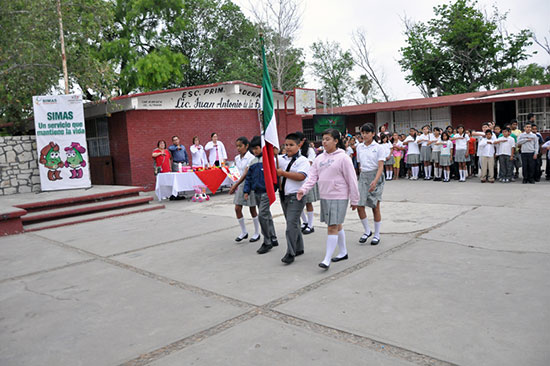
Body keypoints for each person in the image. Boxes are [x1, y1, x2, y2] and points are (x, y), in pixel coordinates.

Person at [297, 129, 359, 269]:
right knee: (336, 225)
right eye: (323, 139)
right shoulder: (319, 158)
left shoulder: (344, 158)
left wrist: (355, 199)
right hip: (325, 196)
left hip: (339, 196)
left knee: (332, 227)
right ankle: (343, 252)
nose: (324, 142)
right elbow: (312, 177)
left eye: (328, 139)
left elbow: (352, 179)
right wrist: (303, 189)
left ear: (336, 141)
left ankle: (327, 259)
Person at [276, 133, 310, 264]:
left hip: (297, 196)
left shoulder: (303, 161)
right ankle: (299, 247)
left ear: (299, 145)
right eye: (286, 145)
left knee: (290, 224)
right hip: (283, 194)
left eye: (291, 145)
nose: (288, 147)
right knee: (294, 222)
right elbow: (268, 161)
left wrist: (283, 173)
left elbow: (301, 176)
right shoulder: (280, 159)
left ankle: (290, 252)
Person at [243, 136, 278, 254]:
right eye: (253, 149)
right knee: (266, 214)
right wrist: (246, 191)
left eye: (257, 148)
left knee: (262, 215)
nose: (255, 151)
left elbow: (274, 175)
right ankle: (273, 236)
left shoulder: (268, 160)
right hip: (256, 192)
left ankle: (267, 241)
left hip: (266, 192)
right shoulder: (252, 162)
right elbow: (248, 178)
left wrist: (275, 186)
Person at [355, 123, 386, 245]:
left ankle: (377, 234)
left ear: (373, 134)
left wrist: (375, 181)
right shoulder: (359, 147)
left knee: (375, 206)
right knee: (359, 205)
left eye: (367, 133)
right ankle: (367, 230)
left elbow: (380, 167)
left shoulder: (379, 147)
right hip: (363, 176)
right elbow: (359, 164)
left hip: (375, 176)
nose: (364, 135)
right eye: (363, 133)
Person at [229, 137, 261, 243]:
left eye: (240, 146)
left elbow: (246, 173)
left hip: (249, 184)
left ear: (246, 146)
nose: (238, 148)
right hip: (239, 185)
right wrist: (233, 179)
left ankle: (257, 233)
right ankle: (244, 232)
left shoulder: (251, 158)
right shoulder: (237, 158)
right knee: (237, 208)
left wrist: (235, 185)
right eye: (237, 146)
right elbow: (235, 171)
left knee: (252, 209)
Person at [296, 131, 318, 235]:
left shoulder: (310, 150)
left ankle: (310, 225)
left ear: (303, 140)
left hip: (308, 179)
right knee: (298, 202)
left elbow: (309, 164)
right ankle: (304, 222)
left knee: (308, 202)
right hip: (297, 179)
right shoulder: (296, 150)